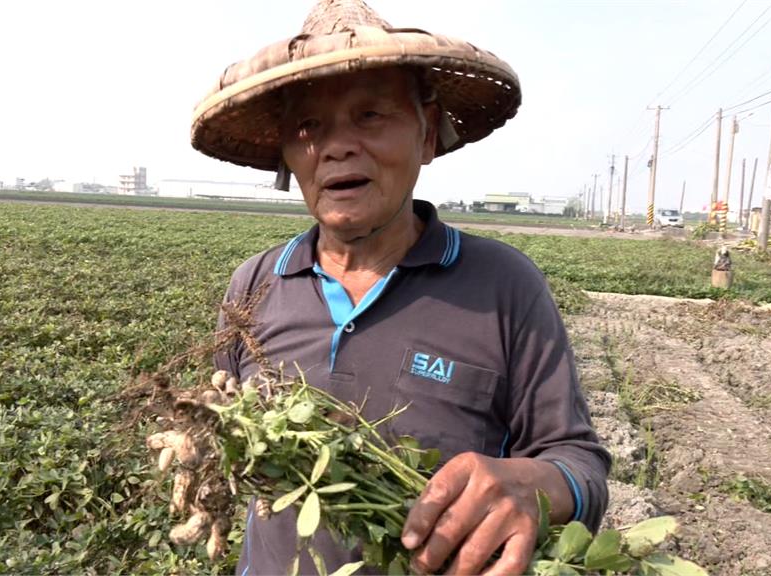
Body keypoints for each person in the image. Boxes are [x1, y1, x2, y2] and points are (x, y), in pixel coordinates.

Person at [191, 1, 610, 574]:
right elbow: (225, 421)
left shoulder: (504, 285)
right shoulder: (254, 284)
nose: (336, 147)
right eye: (308, 127)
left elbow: (580, 463)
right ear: (287, 157)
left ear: (428, 134)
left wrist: (538, 485)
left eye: (370, 116)